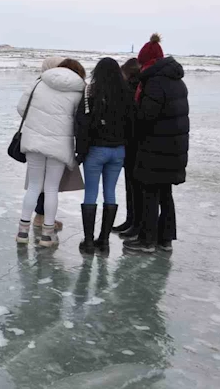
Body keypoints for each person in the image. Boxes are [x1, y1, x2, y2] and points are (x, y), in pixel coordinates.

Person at [124, 34, 189, 253]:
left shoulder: (154, 83)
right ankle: (165, 239)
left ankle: (147, 241)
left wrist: (132, 112)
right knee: (165, 194)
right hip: (173, 148)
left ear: (145, 61)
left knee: (150, 193)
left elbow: (146, 117)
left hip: (155, 148)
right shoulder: (176, 81)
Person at [15, 59, 86, 248]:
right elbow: (80, 120)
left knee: (34, 186)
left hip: (33, 141)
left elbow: (22, 108)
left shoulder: (39, 82)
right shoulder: (80, 90)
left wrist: (38, 122)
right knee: (51, 188)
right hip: (60, 145)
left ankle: (22, 232)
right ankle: (47, 235)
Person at [75, 57, 134, 253]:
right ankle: (105, 241)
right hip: (118, 150)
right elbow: (132, 123)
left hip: (96, 149)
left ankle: (89, 241)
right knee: (110, 192)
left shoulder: (90, 91)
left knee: (90, 193)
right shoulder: (126, 92)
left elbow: (82, 123)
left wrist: (81, 151)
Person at [32, 56, 66, 232]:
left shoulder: (37, 85)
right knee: (50, 184)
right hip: (57, 140)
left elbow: (22, 109)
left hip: (36, 140)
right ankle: (42, 218)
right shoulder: (64, 87)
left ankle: (41, 217)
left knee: (39, 183)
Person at [114, 58, 143, 235]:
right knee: (132, 184)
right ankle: (131, 221)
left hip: (133, 144)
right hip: (133, 144)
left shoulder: (132, 89)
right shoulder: (136, 87)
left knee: (133, 185)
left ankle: (134, 222)